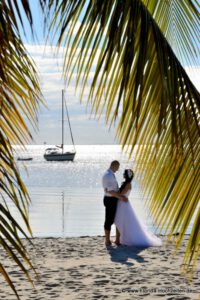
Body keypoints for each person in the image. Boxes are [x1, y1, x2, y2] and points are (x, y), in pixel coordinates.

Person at [113, 169, 162, 247]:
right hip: (121, 203)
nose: (123, 174)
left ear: (127, 176)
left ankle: (118, 240)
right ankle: (117, 239)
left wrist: (112, 192)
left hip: (123, 204)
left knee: (120, 221)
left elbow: (121, 194)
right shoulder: (126, 183)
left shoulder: (128, 184)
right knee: (118, 221)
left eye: (124, 173)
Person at [102, 161, 127, 246]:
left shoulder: (110, 173)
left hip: (111, 199)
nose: (118, 169)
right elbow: (110, 191)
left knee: (111, 219)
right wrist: (120, 197)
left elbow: (111, 189)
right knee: (109, 220)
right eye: (117, 167)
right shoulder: (108, 175)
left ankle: (110, 240)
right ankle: (107, 240)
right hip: (110, 199)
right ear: (114, 165)